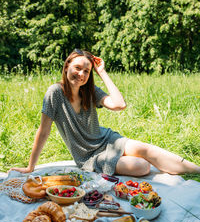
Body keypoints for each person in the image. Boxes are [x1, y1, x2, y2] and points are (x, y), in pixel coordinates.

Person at [9, 49, 200, 176]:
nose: (81, 74)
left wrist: (102, 72)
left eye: (86, 71)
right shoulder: (55, 93)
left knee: (145, 149)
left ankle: (197, 171)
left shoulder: (90, 91)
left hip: (107, 139)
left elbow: (119, 105)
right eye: (77, 68)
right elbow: (43, 131)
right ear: (67, 66)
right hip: (89, 156)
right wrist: (30, 167)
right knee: (142, 166)